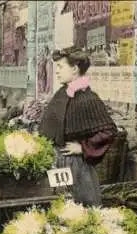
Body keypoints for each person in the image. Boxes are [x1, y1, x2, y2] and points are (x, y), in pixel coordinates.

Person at [39, 46, 117, 206]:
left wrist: (83, 147)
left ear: (74, 69)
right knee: (57, 209)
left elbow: (109, 131)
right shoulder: (62, 93)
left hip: (75, 167)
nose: (57, 71)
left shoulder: (89, 99)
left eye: (60, 67)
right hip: (55, 163)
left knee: (80, 211)